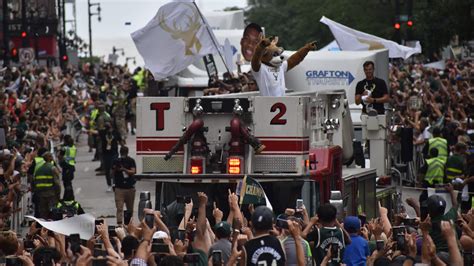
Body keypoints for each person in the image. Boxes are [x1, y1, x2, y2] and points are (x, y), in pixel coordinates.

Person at [112, 146, 136, 225]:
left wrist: (123, 169)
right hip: (120, 188)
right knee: (120, 208)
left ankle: (128, 224)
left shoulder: (130, 161)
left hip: (128, 188)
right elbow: (111, 173)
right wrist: (115, 168)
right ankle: (120, 224)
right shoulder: (116, 161)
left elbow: (133, 171)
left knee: (129, 209)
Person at [32, 152, 61, 219]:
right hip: (51, 195)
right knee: (53, 213)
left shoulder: (38, 170)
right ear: (50, 158)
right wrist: (58, 195)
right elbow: (57, 184)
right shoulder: (52, 168)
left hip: (41, 195)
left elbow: (34, 183)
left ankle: (44, 228)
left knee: (43, 215)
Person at [58, 134, 76, 199]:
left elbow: (60, 156)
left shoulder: (64, 148)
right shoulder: (73, 147)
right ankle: (70, 196)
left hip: (66, 167)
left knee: (67, 183)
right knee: (69, 182)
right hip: (71, 167)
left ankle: (67, 197)